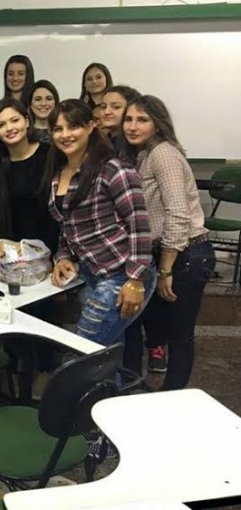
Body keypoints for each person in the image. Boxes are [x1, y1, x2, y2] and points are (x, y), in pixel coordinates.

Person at [120, 95, 215, 389]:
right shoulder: (144, 154)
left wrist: (165, 269)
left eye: (142, 120)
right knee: (160, 327)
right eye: (129, 119)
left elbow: (177, 212)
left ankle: (172, 396)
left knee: (180, 335)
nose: (132, 126)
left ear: (158, 124)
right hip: (170, 254)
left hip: (186, 255)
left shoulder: (163, 154)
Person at [47, 99, 155, 345]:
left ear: (90, 126)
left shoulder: (113, 169)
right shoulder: (58, 175)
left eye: (73, 126)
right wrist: (62, 257)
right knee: (106, 352)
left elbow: (139, 226)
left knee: (82, 349)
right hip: (91, 274)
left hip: (122, 274)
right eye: (58, 129)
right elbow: (67, 226)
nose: (65, 134)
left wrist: (136, 280)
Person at [0, 99, 57, 251]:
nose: (9, 128)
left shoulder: (50, 155)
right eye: (1, 125)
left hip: (51, 247)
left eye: (14, 120)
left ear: (27, 121)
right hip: (11, 251)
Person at [28, 79, 60, 144]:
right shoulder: (23, 134)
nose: (43, 103)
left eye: (49, 99)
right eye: (38, 99)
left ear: (55, 103)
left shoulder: (63, 132)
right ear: (31, 104)